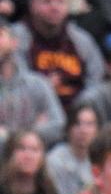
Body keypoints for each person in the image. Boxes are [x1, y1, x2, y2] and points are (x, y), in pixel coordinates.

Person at [12, 0, 104, 106]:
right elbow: (14, 82)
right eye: (47, 1)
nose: (54, 7)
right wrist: (43, 88)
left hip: (77, 113)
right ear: (33, 6)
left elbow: (96, 81)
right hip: (34, 110)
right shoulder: (17, 37)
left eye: (60, 2)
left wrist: (80, 109)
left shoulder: (81, 40)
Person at [0, 15, 65, 149]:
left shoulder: (37, 83)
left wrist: (10, 136)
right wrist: (35, 128)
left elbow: (58, 124)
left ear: (14, 42)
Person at [45, 100, 99, 194]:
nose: (83, 130)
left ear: (97, 130)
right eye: (77, 124)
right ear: (68, 128)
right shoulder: (55, 160)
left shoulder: (102, 159)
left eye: (89, 124)